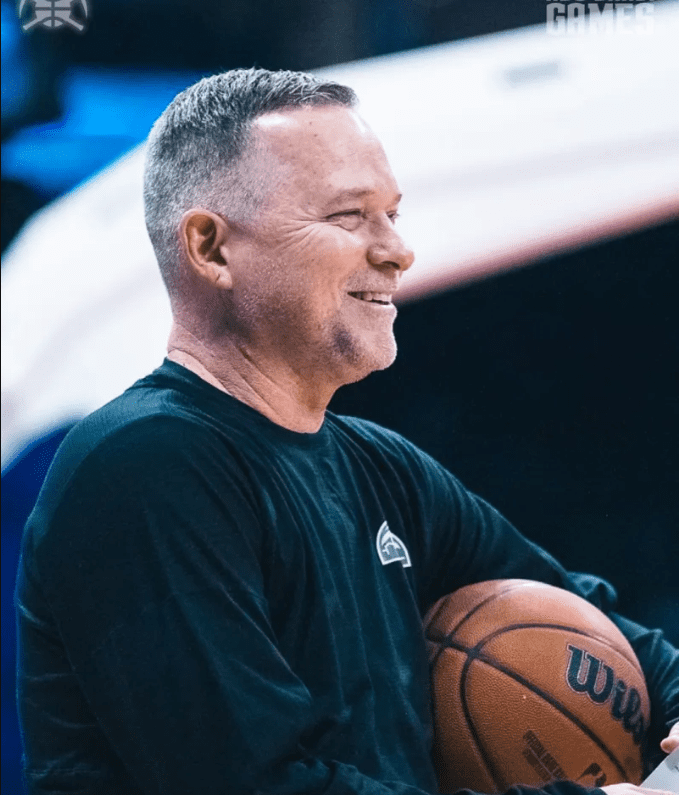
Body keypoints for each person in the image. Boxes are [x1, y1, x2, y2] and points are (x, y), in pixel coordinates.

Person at [15, 68, 678, 795]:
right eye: (348, 216)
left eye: (393, 213)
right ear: (209, 247)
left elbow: (598, 626)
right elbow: (259, 785)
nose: (397, 250)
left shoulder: (381, 469)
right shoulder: (143, 466)